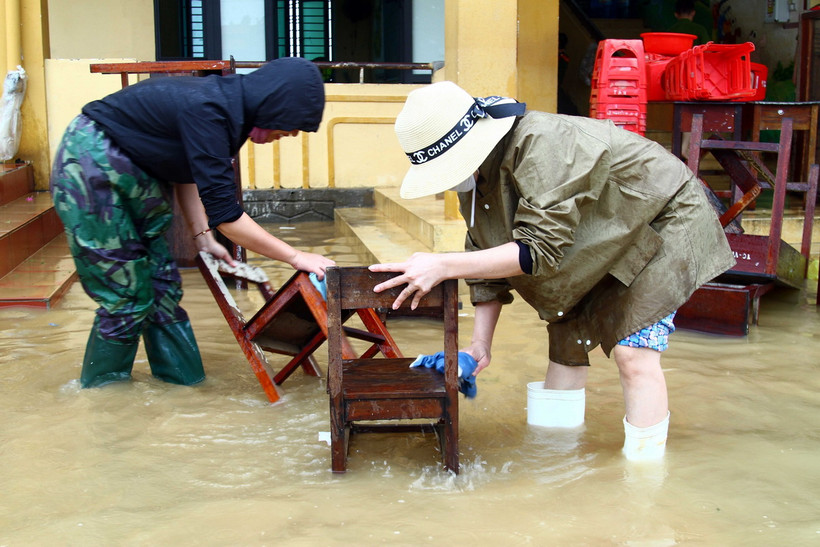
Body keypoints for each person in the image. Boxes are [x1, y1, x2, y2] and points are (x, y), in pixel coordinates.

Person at [369, 81, 735, 460]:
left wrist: (443, 264)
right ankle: (554, 466)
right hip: (595, 239)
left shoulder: (541, 144)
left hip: (659, 219)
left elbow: (537, 250)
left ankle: (643, 481)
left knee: (633, 353)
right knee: (566, 339)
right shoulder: (474, 180)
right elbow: (484, 257)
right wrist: (480, 346)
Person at [50, 57, 335, 389]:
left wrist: (202, 236)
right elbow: (228, 218)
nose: (288, 134)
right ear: (272, 104)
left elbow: (188, 171)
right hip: (91, 166)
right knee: (125, 296)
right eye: (289, 125)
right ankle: (105, 398)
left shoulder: (230, 112)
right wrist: (297, 257)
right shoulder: (211, 109)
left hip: (140, 175)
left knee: (162, 290)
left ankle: (185, 389)